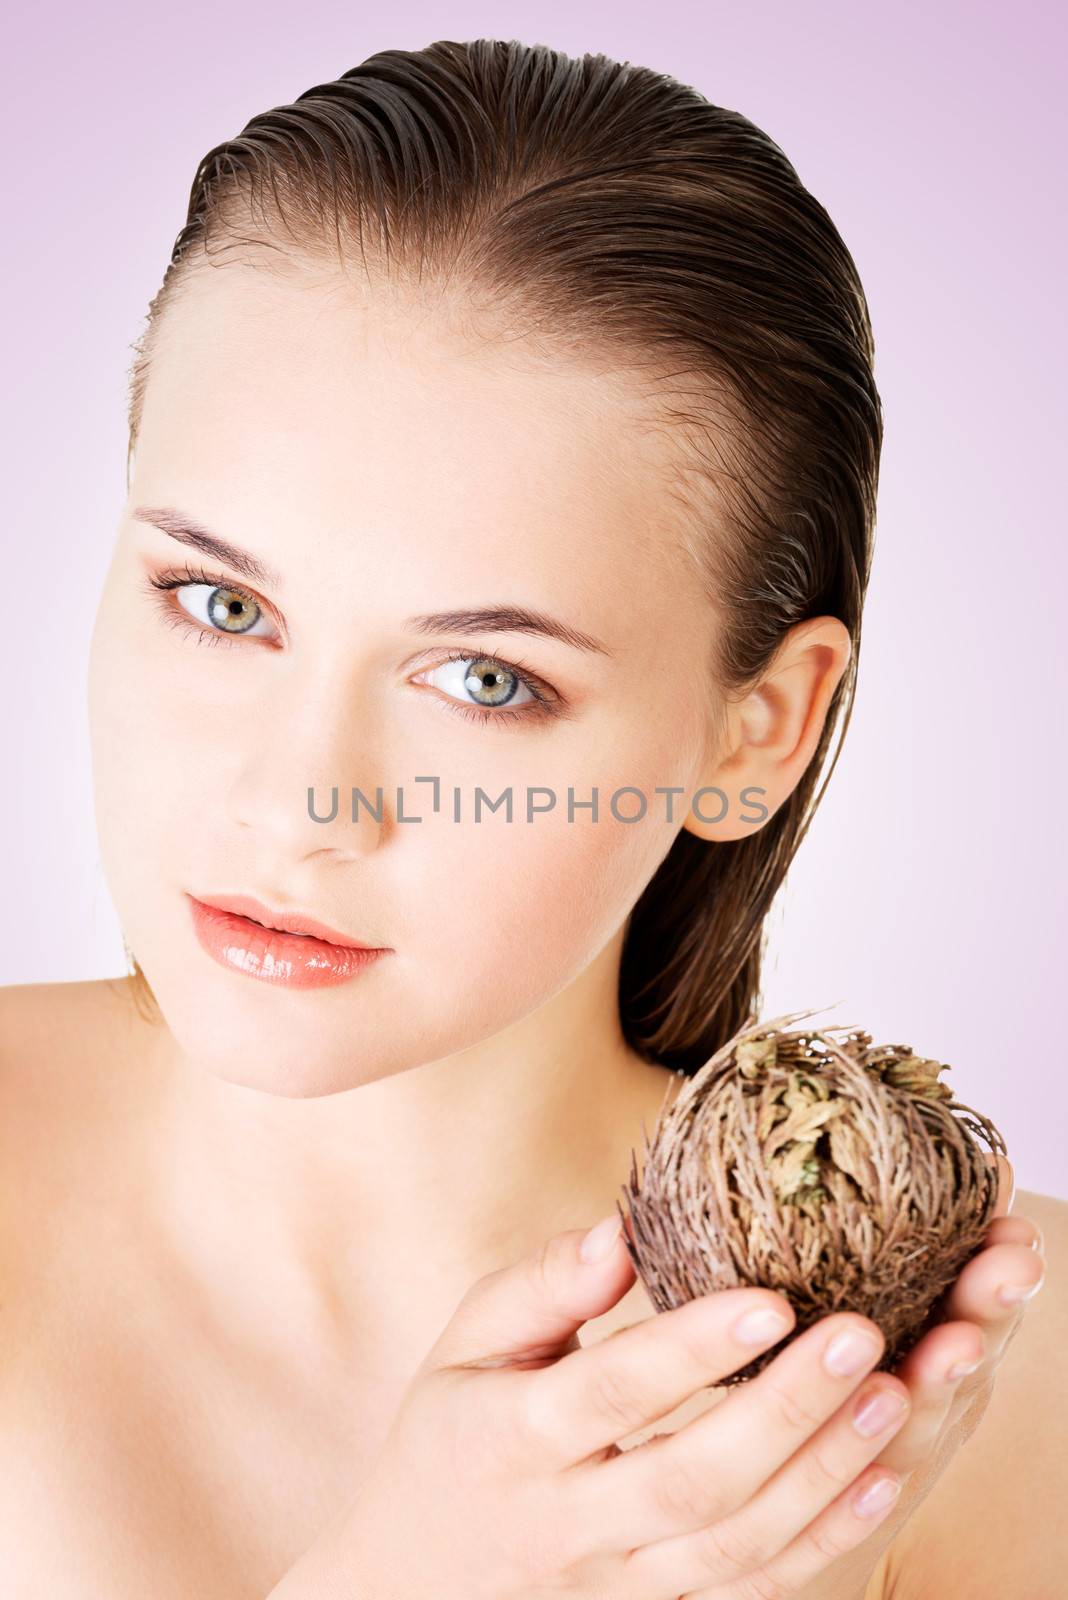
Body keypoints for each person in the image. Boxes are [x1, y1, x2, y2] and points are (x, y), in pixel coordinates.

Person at [0, 36, 1061, 1600]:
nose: (300, 805)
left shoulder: (980, 1378)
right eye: (218, 601)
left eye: (486, 679)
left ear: (755, 729)